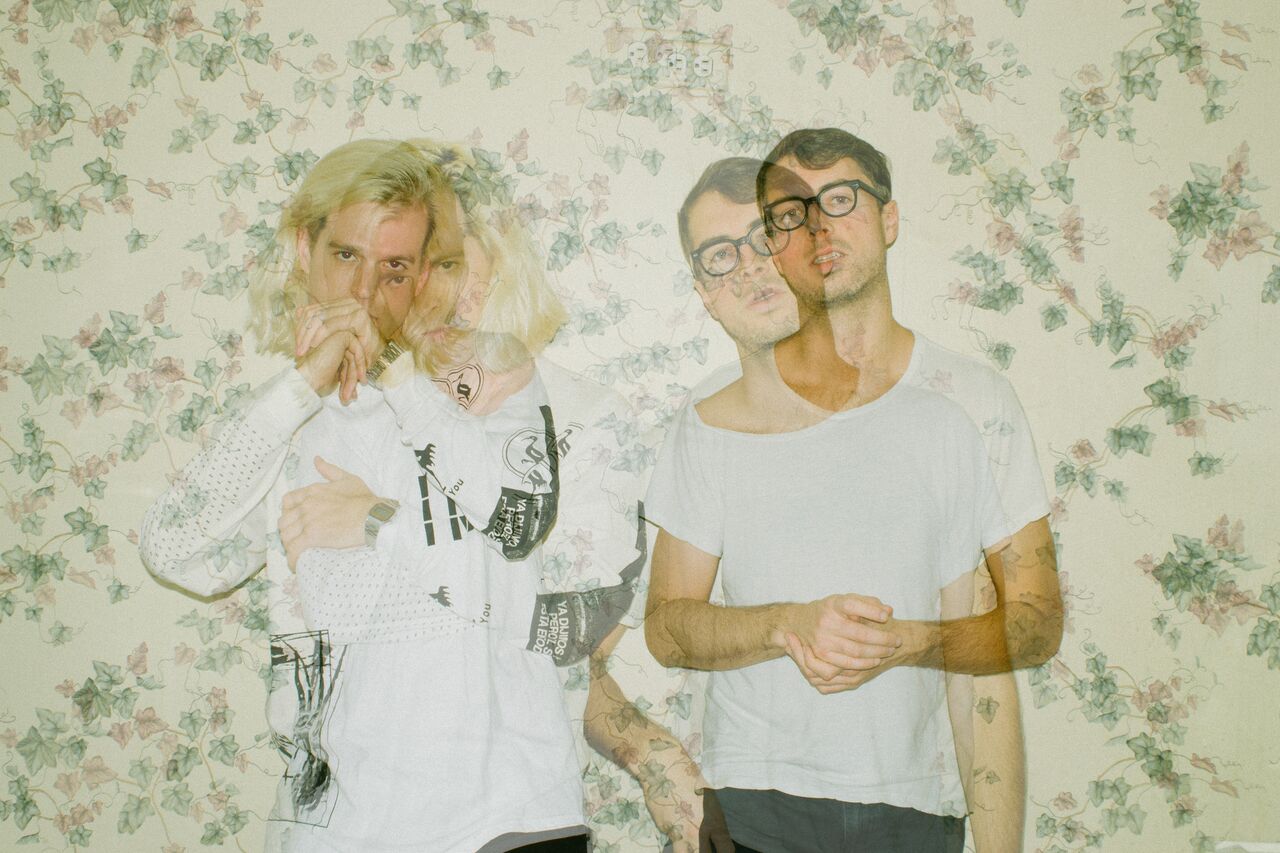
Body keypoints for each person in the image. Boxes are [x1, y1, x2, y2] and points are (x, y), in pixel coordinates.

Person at [141, 139, 596, 851]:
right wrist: (301, 387)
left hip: (503, 814)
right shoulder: (286, 422)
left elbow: (515, 527)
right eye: (347, 255)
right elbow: (175, 551)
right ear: (305, 250)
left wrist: (378, 501)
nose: (363, 292)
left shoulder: (490, 379)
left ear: (424, 275)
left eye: (395, 268)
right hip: (340, 825)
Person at [280, 139, 728, 851]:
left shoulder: (580, 415)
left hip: (510, 806)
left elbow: (578, 625)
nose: (427, 288)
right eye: (404, 265)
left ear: (495, 264)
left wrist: (378, 523)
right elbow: (312, 614)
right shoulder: (336, 403)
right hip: (348, 811)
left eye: (450, 261)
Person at [644, 133, 1064, 852]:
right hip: (753, 802)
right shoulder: (712, 416)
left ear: (888, 219)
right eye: (792, 216)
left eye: (839, 202)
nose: (817, 229)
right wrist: (785, 623)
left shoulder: (971, 404)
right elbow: (667, 628)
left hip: (916, 807)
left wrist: (910, 643)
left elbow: (1023, 632)